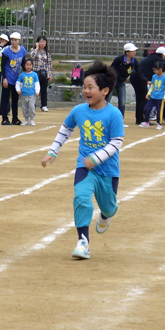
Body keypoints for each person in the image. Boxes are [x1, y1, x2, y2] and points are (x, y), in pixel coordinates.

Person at [41, 61, 123, 260]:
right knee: (81, 199)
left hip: (108, 170)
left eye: (90, 87)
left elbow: (116, 142)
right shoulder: (78, 110)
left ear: (105, 91)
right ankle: (83, 242)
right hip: (84, 167)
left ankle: (105, 215)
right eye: (84, 87)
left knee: (109, 207)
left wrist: (96, 158)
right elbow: (65, 130)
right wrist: (53, 152)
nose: (86, 91)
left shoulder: (114, 114)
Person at [0, 31, 26, 125]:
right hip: (8, 77)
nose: (13, 42)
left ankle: (15, 118)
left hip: (17, 78)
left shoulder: (22, 50)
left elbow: (23, 64)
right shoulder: (7, 51)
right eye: (12, 40)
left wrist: (26, 74)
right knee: (5, 98)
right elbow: (3, 66)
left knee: (15, 99)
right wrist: (4, 78)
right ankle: (4, 118)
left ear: (19, 41)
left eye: (15, 40)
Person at [111, 42, 138, 118]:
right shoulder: (118, 59)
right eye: (132, 51)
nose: (134, 52)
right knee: (107, 101)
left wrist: (146, 80)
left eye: (134, 51)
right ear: (127, 52)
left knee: (122, 103)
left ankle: (120, 119)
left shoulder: (134, 61)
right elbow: (111, 69)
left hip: (122, 83)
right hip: (113, 82)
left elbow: (139, 72)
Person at [139, 61, 165, 129]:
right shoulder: (154, 76)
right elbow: (152, 86)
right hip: (153, 96)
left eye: (155, 70)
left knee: (159, 111)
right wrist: (148, 93)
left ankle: (159, 123)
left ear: (160, 69)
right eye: (153, 70)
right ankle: (146, 121)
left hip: (160, 97)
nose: (154, 71)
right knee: (146, 109)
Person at [29, 35, 53, 112]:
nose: (42, 44)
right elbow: (32, 57)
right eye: (41, 42)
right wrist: (36, 48)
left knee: (44, 90)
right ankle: (33, 104)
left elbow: (49, 64)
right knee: (34, 89)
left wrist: (49, 74)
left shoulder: (47, 53)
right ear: (37, 42)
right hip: (35, 72)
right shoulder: (33, 50)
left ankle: (44, 105)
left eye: (44, 42)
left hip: (44, 73)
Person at [16, 57, 41, 126]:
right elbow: (18, 83)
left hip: (32, 94)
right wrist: (18, 90)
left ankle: (32, 119)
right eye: (27, 65)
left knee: (31, 107)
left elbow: (37, 84)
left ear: (32, 66)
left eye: (30, 65)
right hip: (24, 94)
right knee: (24, 108)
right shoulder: (22, 75)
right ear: (24, 66)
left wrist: (37, 91)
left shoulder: (34, 75)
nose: (28, 66)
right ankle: (26, 120)